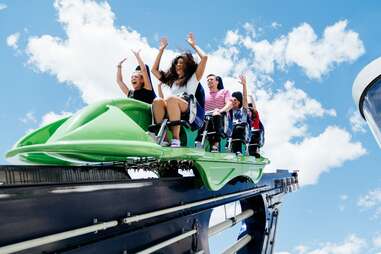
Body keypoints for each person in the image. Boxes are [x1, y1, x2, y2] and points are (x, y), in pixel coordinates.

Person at [151, 33, 208, 147]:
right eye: (177, 63)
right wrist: (161, 50)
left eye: (181, 63)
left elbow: (204, 58)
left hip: (188, 109)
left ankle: (176, 139)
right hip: (172, 106)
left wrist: (193, 45)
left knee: (171, 99)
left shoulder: (193, 78)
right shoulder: (172, 80)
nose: (178, 65)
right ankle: (164, 137)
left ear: (187, 65)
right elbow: (154, 70)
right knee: (157, 101)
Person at [203, 74, 232, 151]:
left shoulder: (224, 91)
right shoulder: (205, 95)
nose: (209, 81)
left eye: (211, 79)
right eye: (208, 80)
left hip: (221, 119)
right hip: (206, 119)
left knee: (215, 113)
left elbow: (229, 104)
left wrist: (220, 110)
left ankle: (216, 143)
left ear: (217, 82)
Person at [229, 75, 251, 153]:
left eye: (235, 100)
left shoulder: (243, 110)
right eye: (232, 100)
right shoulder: (229, 110)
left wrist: (244, 85)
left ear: (239, 101)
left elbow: (245, 98)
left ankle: (238, 151)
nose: (233, 102)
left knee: (238, 127)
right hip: (230, 130)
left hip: (241, 131)